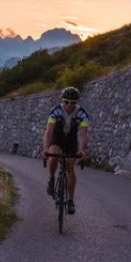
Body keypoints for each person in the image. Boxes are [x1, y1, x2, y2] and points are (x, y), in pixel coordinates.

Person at [42, 86, 89, 215]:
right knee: (54, 155)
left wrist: (82, 150)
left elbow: (83, 134)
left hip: (71, 141)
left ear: (77, 102)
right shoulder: (56, 111)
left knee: (70, 167)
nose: (69, 105)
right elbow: (49, 131)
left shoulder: (82, 114)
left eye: (73, 102)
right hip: (57, 138)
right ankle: (51, 179)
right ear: (62, 101)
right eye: (66, 102)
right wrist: (46, 148)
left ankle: (70, 201)